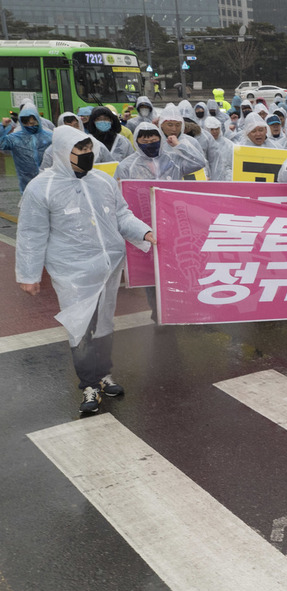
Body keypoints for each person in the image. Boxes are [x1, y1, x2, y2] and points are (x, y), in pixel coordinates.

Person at [15, 126, 156, 413]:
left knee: (104, 324)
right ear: (63, 153)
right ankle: (88, 385)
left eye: (89, 149)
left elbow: (121, 215)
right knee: (80, 328)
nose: (87, 155)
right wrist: (28, 276)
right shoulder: (43, 187)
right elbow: (31, 233)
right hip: (72, 273)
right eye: (80, 151)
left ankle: (103, 375)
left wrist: (144, 232)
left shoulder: (102, 181)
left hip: (108, 269)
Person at [0, 104, 53, 191]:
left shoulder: (49, 136)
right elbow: (1, 143)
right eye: (26, 122)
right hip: (26, 183)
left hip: (48, 182)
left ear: (38, 120)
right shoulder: (16, 138)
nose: (30, 125)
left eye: (33, 122)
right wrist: (2, 126)